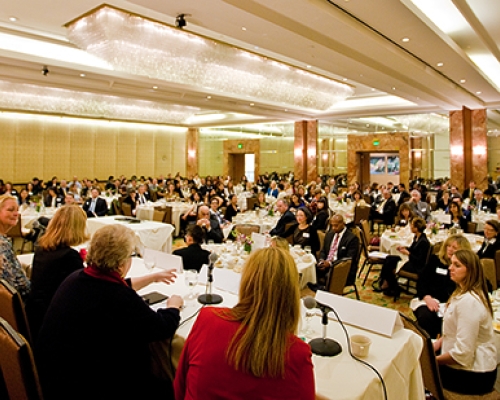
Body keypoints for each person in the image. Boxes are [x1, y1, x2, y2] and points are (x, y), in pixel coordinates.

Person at [36, 224, 183, 400]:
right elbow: (161, 327)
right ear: (121, 262)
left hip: (57, 373)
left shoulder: (77, 278)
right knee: (168, 387)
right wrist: (173, 306)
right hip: (90, 385)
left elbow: (111, 286)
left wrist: (151, 278)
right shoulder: (118, 298)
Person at [174, 247, 315, 400]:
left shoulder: (207, 319)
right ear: (292, 293)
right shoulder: (297, 354)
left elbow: (179, 387)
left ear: (246, 282)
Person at [433, 250, 497, 395]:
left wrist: (432, 361)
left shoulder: (469, 302)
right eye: (451, 263)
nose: (450, 267)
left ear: (470, 271)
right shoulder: (463, 292)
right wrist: (437, 344)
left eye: (457, 265)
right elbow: (455, 331)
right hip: (467, 366)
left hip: (475, 374)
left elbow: (463, 354)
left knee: (418, 368)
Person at [25, 205, 89, 341]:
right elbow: (81, 295)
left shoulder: (42, 249)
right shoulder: (69, 256)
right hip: (56, 326)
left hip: (36, 317)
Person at [413, 235, 471, 338]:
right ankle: (431, 345)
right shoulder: (435, 260)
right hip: (431, 299)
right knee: (425, 316)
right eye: (448, 246)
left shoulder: (466, 268)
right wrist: (427, 297)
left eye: (455, 247)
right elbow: (422, 281)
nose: (450, 249)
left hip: (453, 303)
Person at [374, 217, 430, 299]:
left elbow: (420, 260)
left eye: (412, 225)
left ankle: (390, 285)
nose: (410, 227)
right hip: (411, 261)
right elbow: (412, 249)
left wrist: (408, 253)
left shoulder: (423, 242)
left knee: (390, 264)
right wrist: (404, 248)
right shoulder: (416, 237)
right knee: (389, 258)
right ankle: (387, 283)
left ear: (416, 228)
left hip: (416, 266)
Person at [308, 214, 359, 291]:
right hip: (327, 265)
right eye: (332, 225)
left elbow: (348, 259)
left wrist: (330, 264)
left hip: (342, 269)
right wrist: (321, 260)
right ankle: (319, 289)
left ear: (343, 224)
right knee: (311, 270)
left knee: (328, 276)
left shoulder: (352, 238)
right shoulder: (329, 234)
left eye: (336, 225)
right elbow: (324, 251)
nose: (334, 228)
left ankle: (324, 292)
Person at [0, 195, 30, 300]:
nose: (16, 214)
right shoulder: (2, 245)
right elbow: (17, 285)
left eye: (17, 210)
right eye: (10, 210)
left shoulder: (4, 240)